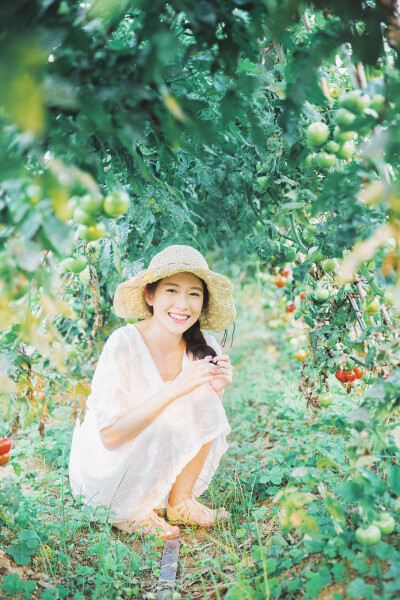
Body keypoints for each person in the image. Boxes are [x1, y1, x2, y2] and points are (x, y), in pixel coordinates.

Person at [69, 244, 235, 539]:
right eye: (171, 290)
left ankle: (180, 500)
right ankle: (130, 510)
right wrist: (174, 389)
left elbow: (205, 421)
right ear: (150, 295)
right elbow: (110, 436)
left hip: (156, 453)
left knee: (199, 404)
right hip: (112, 467)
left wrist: (214, 392)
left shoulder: (205, 347)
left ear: (203, 302)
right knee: (158, 417)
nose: (182, 305)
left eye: (193, 293)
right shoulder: (123, 344)